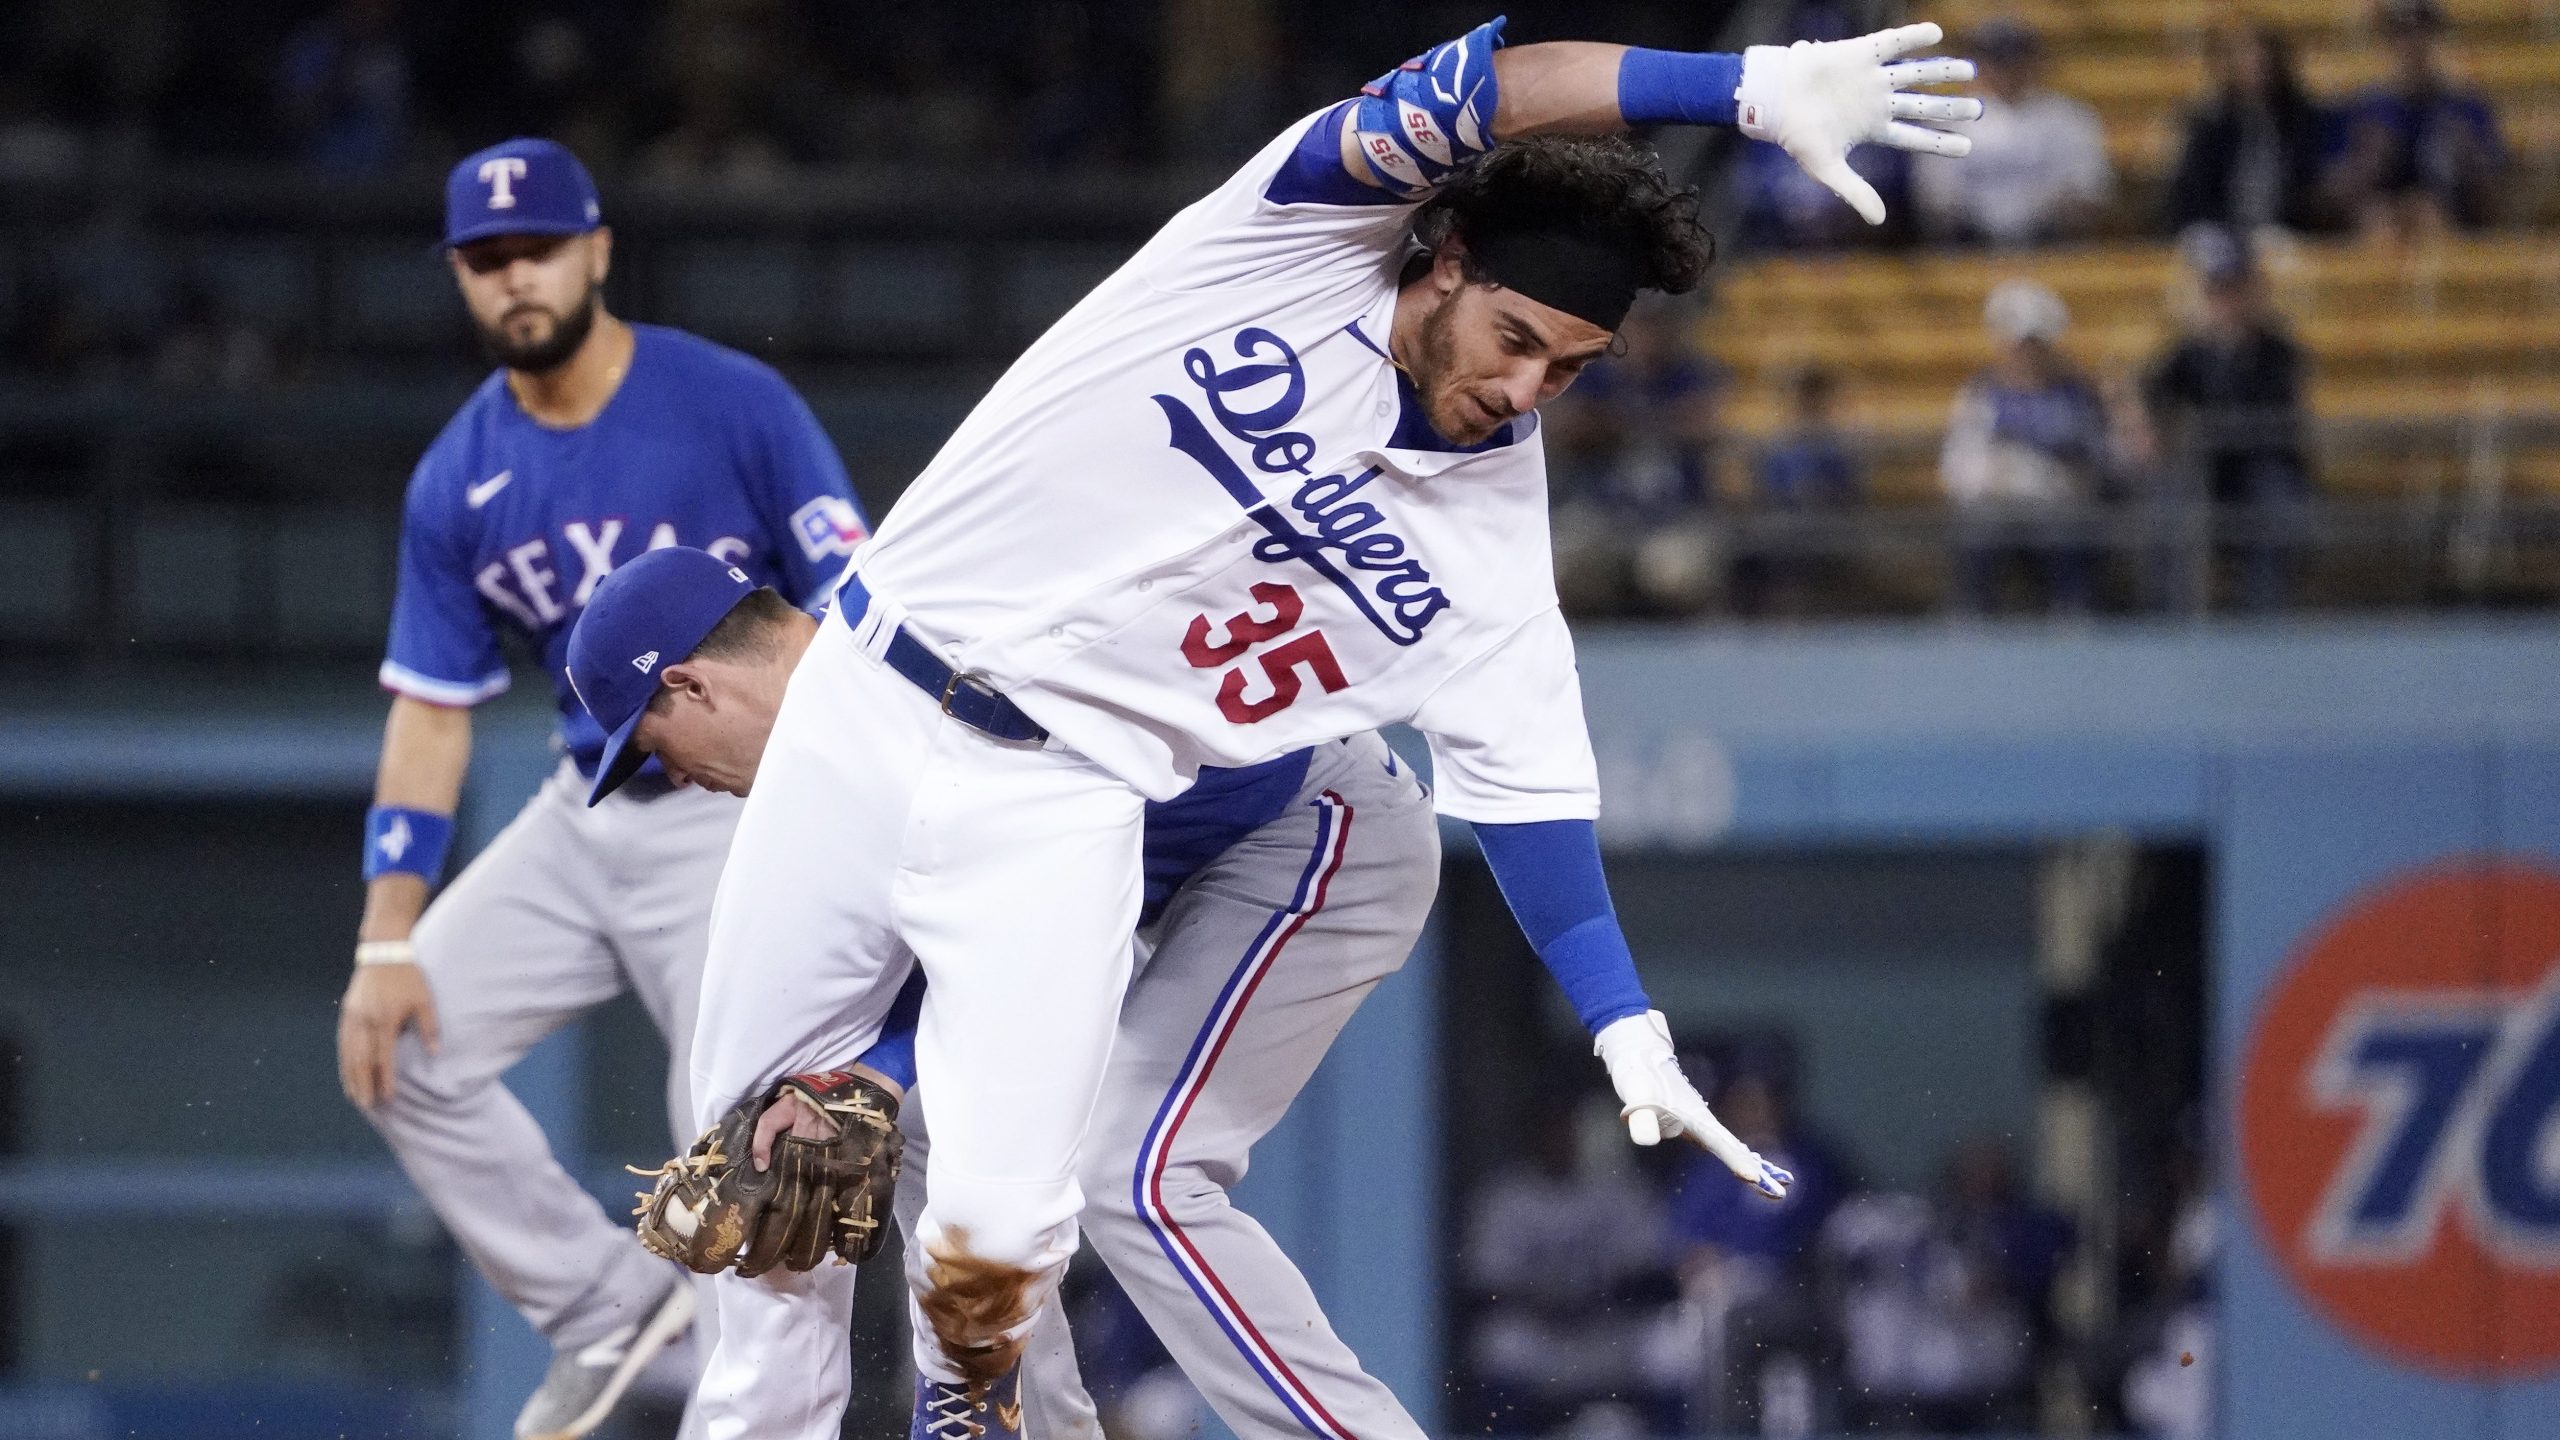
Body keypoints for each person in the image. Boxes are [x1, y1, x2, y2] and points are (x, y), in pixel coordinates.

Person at [667, 22, 1976, 1440]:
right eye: (1516, 339)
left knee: (994, 1234)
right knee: (750, 1190)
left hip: (1073, 796)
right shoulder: (1286, 241)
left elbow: (1526, 795)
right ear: (1445, 263)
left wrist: (1624, 1018)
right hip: (865, 693)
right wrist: (1735, 87)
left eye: (1574, 369)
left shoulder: (1488, 547)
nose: (1528, 390)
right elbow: (1488, 91)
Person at [560, 546, 1433, 1440]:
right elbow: (970, 935)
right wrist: (868, 1082)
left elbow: (1009, 910)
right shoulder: (842, 741)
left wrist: (880, 1069)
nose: (670, 778)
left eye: (650, 745)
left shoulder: (917, 663)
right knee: (919, 1127)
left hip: (1311, 821)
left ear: (692, 684)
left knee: (1131, 1172)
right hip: (1164, 879)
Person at [330, 137, 869, 1440]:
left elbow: (854, 603)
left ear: (597, 249)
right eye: (487, 258)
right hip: (586, 814)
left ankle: (761, 1413)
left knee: (753, 1145)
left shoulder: (730, 401)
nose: (516, 276)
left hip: (730, 812)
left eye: (538, 248)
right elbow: (428, 713)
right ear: (462, 276)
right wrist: (386, 930)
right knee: (395, 1048)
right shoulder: (458, 478)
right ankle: (608, 1313)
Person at [2136, 226, 2310, 610]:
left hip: (2262, 466)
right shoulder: (2192, 350)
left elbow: (2270, 413)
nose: (2227, 301)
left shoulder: (2276, 351)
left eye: (2235, 289)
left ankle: (2265, 617)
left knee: (2278, 510)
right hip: (2204, 470)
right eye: (2219, 290)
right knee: (2167, 508)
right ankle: (2169, 615)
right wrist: (2154, 428)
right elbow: (2154, 390)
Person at [1546, 300, 1732, 618]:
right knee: (1563, 560)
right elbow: (1567, 426)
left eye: (1655, 328)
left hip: (1672, 515)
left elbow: (1706, 424)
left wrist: (1622, 421)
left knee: (1675, 571)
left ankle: (1684, 658)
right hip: (1601, 510)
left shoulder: (1687, 372)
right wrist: (1653, 420)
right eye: (1640, 327)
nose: (1647, 337)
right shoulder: (1594, 373)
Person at [1940, 279, 2111, 614]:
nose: (2027, 355)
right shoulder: (1980, 395)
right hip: (1996, 502)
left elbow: (2097, 455)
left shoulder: (2075, 396)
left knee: (2068, 532)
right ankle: (1971, 616)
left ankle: (2073, 612)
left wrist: (2062, 477)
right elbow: (1956, 465)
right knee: (1977, 530)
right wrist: (1994, 477)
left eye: (2035, 346)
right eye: (2019, 346)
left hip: (2058, 503)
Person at [1912, 20, 2109, 247]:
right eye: (1998, 60)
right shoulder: (1952, 118)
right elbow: (1936, 200)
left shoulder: (2068, 117)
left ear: (2035, 61)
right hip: (1972, 243)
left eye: (2017, 59)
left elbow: (2090, 193)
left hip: (2050, 242)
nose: (2008, 69)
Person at [2324, 0, 2504, 240]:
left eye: (2423, 34)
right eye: (2403, 35)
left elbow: (2495, 204)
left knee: (2428, 213)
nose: (2414, 45)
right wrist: (2366, 165)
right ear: (2390, 43)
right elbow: (2329, 202)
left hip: (2449, 221)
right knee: (2380, 222)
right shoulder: (2365, 109)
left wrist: (2469, 159)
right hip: (2378, 220)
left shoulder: (2465, 108)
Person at [2164, 26, 2331, 236]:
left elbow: (2305, 185)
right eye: (2249, 64)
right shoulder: (2211, 122)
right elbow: (2192, 193)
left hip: (2278, 229)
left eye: (2263, 64)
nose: (2257, 72)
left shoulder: (2297, 119)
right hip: (2217, 226)